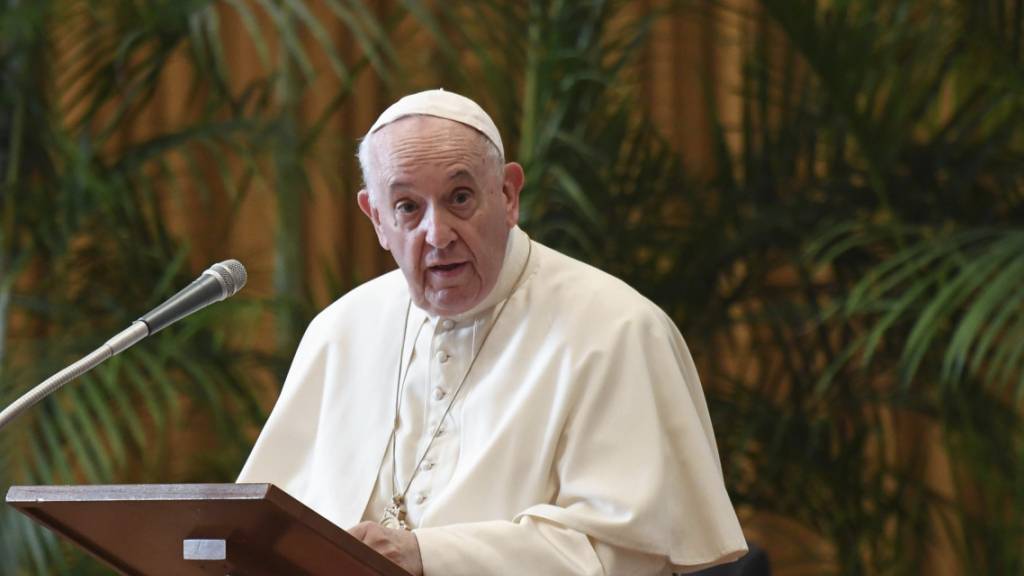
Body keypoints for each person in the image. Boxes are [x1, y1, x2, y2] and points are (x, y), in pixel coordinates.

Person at [238, 89, 747, 575]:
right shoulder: (341, 330)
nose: (436, 234)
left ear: (507, 194)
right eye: (408, 207)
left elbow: (624, 555)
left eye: (460, 198)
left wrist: (427, 556)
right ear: (375, 217)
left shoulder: (618, 329)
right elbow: (262, 536)